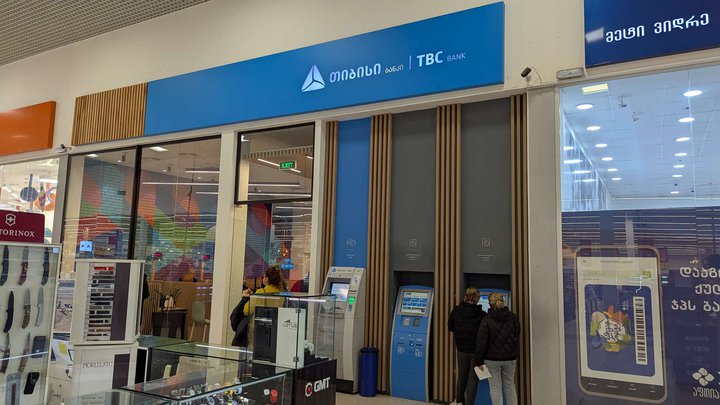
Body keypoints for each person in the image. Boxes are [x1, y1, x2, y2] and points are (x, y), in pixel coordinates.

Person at [474, 292, 520, 405]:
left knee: (495, 388)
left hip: (491, 359)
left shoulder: (486, 320)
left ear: (490, 303)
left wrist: (478, 361)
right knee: (510, 385)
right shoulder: (513, 317)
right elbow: (517, 333)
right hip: (510, 358)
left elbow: (481, 342)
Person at [448, 287, 486, 405]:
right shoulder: (482, 314)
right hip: (476, 351)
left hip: (461, 349)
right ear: (476, 299)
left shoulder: (457, 310)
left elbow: (450, 327)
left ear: (466, 296)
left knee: (462, 376)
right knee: (473, 379)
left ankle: (459, 402)